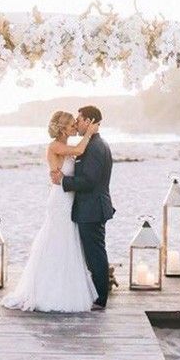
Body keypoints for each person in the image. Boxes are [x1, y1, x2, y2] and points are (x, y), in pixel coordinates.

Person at [2, 110, 99, 313]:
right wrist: (89, 133)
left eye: (76, 123)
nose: (75, 127)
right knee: (58, 239)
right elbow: (80, 151)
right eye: (72, 124)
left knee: (67, 240)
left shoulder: (65, 147)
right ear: (63, 128)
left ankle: (63, 286)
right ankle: (48, 291)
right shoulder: (55, 145)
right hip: (60, 200)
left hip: (67, 196)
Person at [50, 105, 115, 309]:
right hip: (88, 206)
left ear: (89, 122)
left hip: (92, 208)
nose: (76, 124)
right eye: (74, 122)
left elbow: (89, 181)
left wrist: (64, 181)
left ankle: (100, 298)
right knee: (91, 252)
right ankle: (95, 293)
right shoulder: (92, 144)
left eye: (79, 120)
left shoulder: (95, 147)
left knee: (95, 253)